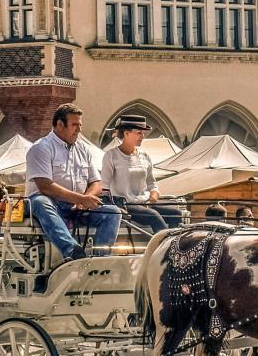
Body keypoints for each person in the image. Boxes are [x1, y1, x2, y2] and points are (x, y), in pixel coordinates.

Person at [24, 103, 120, 259]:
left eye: (80, 125)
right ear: (60, 125)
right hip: (51, 204)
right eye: (75, 125)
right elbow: (45, 186)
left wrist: (86, 199)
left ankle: (100, 259)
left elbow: (96, 182)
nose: (79, 129)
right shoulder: (41, 148)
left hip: (77, 205)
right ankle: (72, 251)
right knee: (40, 201)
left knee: (113, 212)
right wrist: (80, 198)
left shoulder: (83, 149)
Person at [101, 113, 180, 235]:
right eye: (139, 133)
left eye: (143, 133)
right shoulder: (111, 156)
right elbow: (104, 188)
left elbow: (152, 184)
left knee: (175, 213)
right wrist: (116, 208)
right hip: (125, 206)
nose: (143, 136)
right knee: (154, 216)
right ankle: (165, 244)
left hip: (146, 204)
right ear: (126, 133)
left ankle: (174, 243)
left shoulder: (145, 156)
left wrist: (153, 196)